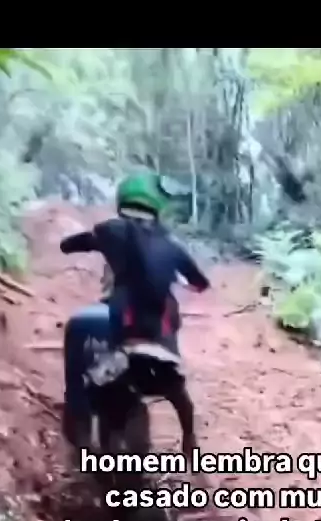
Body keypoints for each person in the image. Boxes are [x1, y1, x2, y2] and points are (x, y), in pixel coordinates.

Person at [60, 171, 210, 455]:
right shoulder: (170, 245)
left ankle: (79, 421)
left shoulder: (110, 232)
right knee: (177, 389)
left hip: (121, 332)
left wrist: (73, 245)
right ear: (157, 207)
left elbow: (70, 245)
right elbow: (200, 283)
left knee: (83, 346)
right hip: (158, 344)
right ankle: (189, 438)